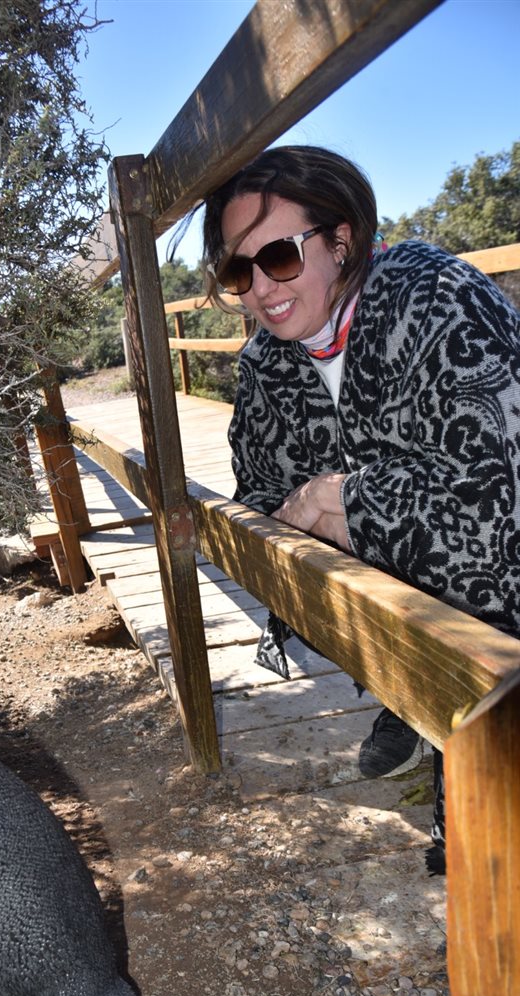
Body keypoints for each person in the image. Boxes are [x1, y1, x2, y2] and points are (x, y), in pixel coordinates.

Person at [201, 145, 520, 875]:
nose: (258, 289)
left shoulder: (438, 300)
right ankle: (408, 705)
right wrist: (340, 510)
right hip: (402, 591)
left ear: (342, 240)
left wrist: (334, 497)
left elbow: (497, 506)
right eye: (236, 269)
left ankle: (465, 808)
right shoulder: (266, 363)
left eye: (278, 255)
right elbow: (259, 501)